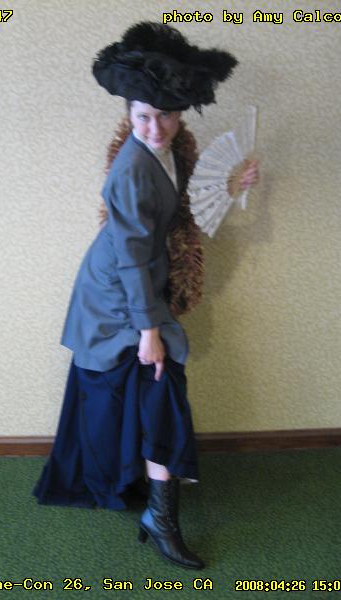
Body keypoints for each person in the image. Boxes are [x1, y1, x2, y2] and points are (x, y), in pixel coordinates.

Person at [33, 22, 258, 570]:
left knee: (155, 391)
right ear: (127, 114)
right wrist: (149, 330)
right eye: (142, 117)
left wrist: (232, 187)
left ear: (181, 114)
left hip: (140, 282)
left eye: (164, 115)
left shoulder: (175, 151)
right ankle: (160, 516)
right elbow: (132, 255)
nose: (154, 128)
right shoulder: (131, 168)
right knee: (159, 385)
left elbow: (181, 210)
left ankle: (156, 507)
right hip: (117, 292)